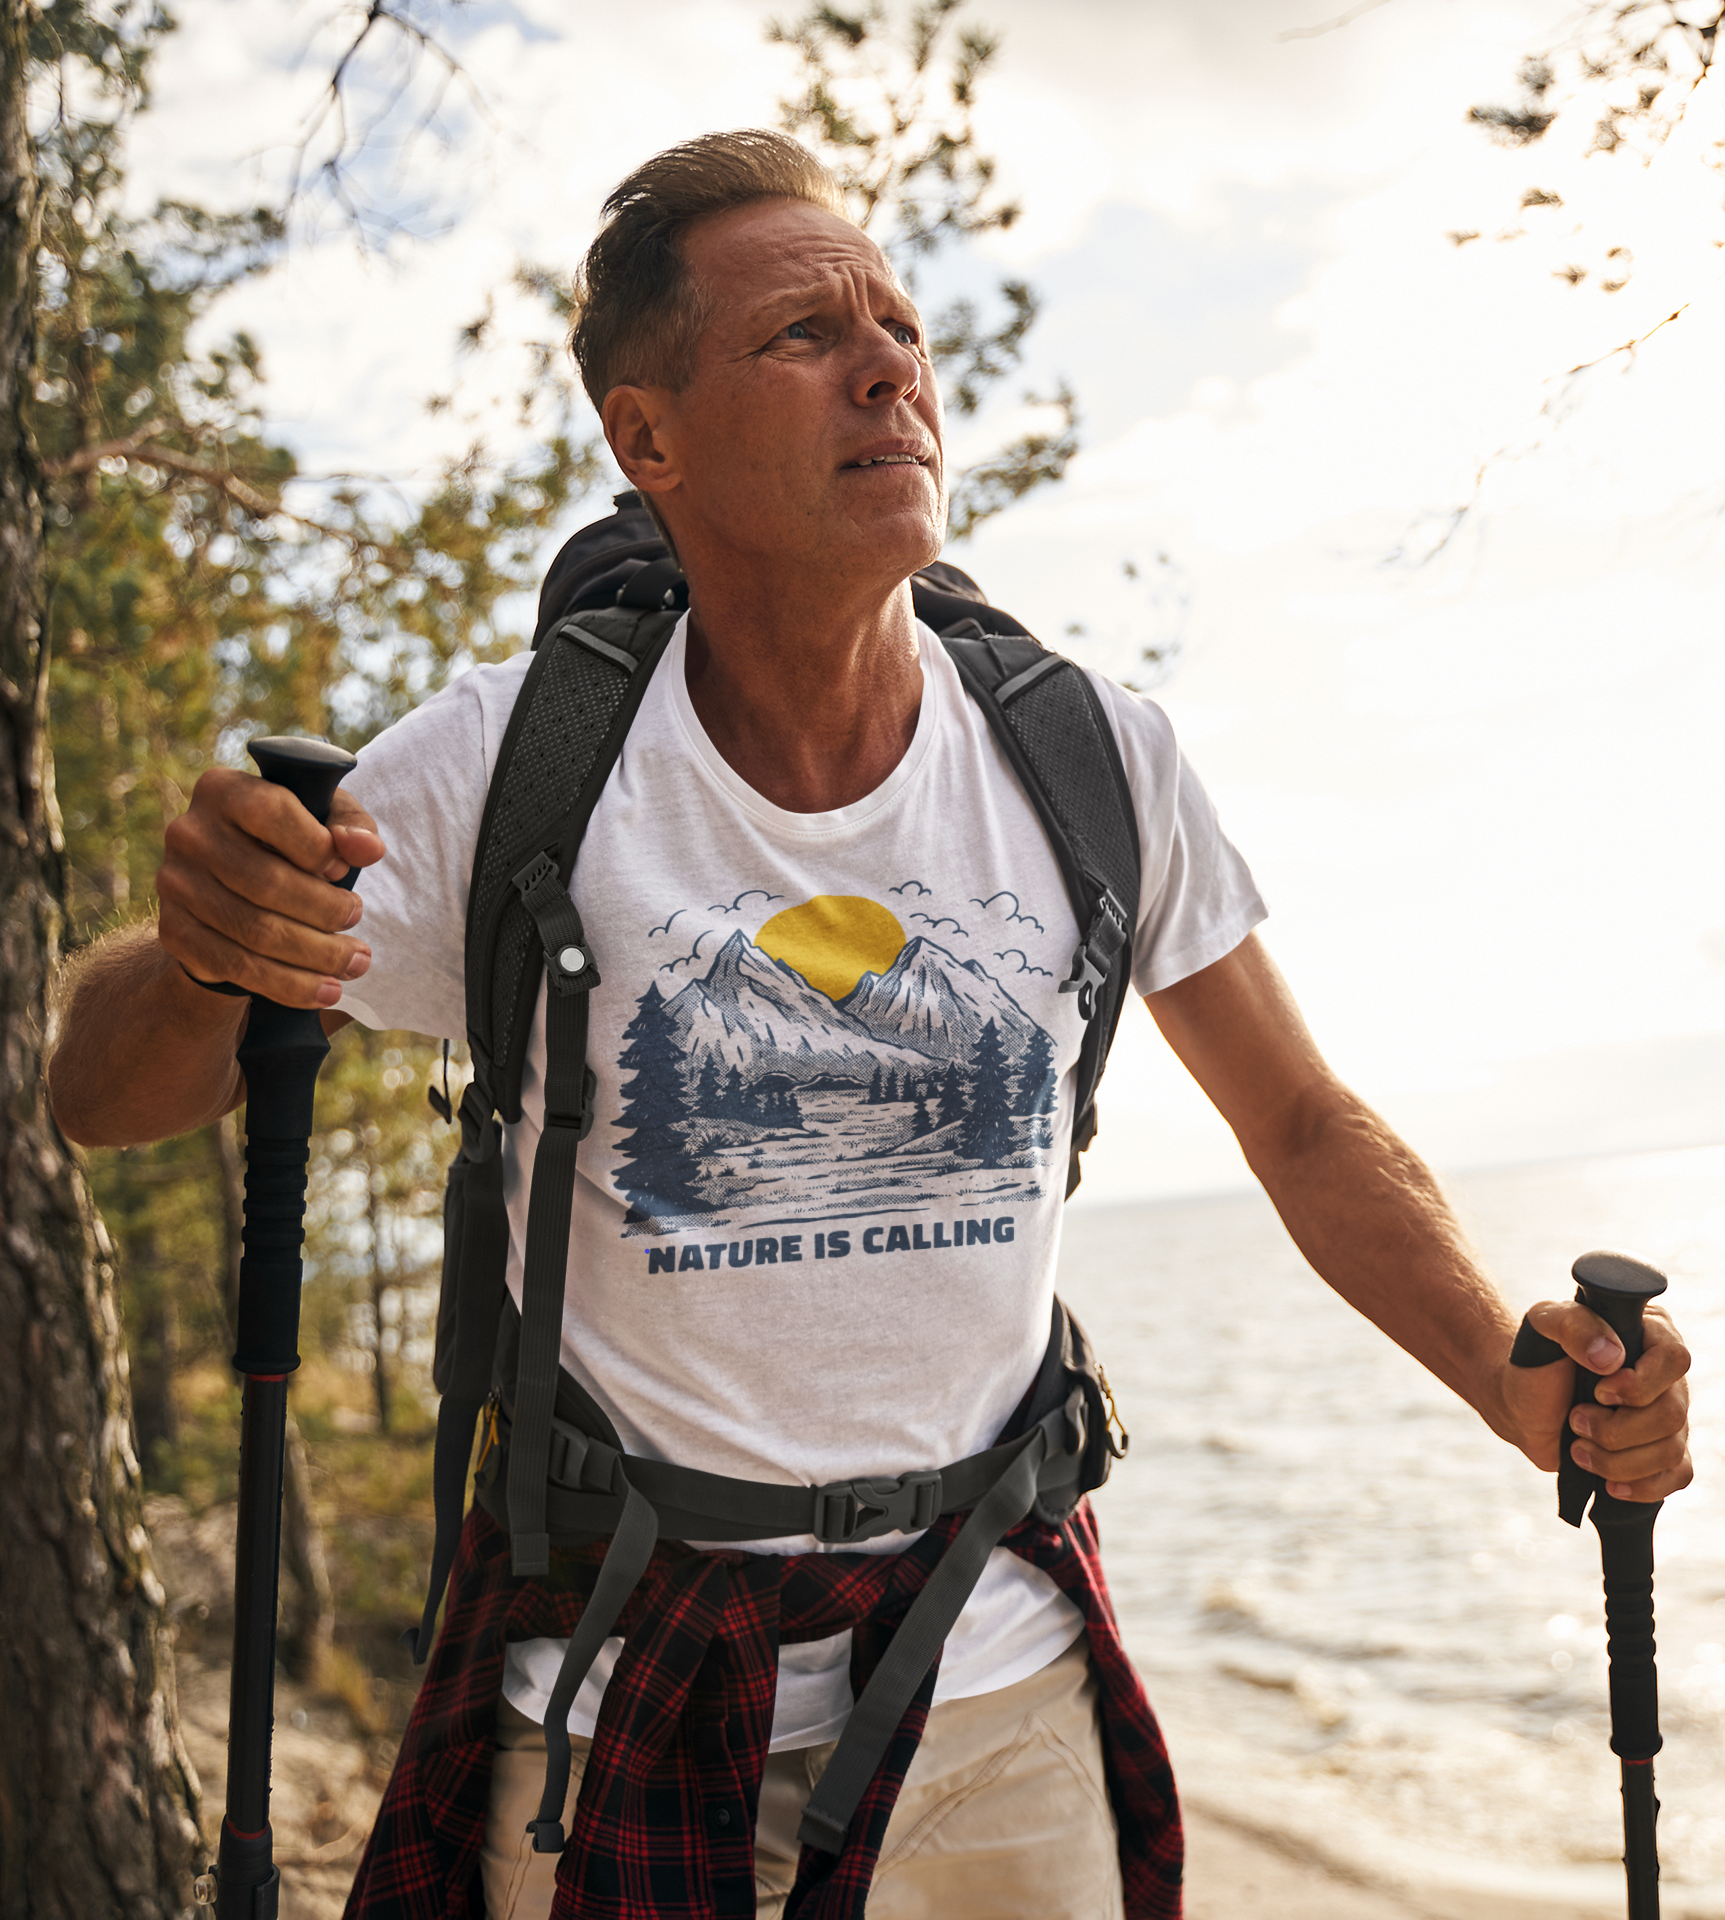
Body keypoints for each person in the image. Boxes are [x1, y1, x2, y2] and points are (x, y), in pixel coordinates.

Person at [48, 130, 1692, 1920]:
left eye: (896, 322)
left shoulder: (1089, 757)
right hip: (614, 1698)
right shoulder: (513, 766)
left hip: (996, 1691)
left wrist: (1509, 1381)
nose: (891, 363)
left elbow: (1297, 1124)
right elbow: (106, 1093)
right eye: (803, 335)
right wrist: (204, 947)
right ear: (646, 438)